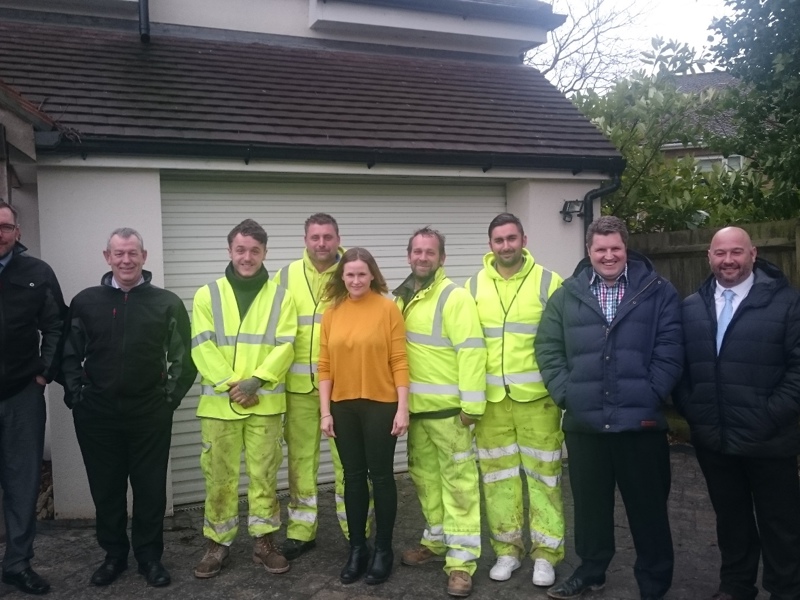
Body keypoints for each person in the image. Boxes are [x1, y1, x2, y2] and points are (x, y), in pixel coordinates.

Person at [536, 215, 682, 600]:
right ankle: (591, 571)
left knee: (649, 510)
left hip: (641, 423)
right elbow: (547, 347)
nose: (609, 255)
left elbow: (671, 348)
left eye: (615, 247)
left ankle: (654, 583)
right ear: (589, 251)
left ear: (626, 248)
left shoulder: (657, 291)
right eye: (601, 249)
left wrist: (651, 392)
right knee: (589, 509)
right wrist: (567, 393)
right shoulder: (567, 295)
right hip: (585, 424)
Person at [61, 227, 196, 588]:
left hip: (149, 413)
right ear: (107, 257)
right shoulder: (85, 302)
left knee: (150, 490)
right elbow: (68, 354)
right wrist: (77, 397)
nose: (125, 260)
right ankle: (114, 556)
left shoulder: (166, 302)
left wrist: (168, 400)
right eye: (118, 253)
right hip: (97, 415)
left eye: (132, 253)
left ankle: (149, 558)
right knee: (106, 489)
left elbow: (185, 359)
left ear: (143, 256)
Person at [675, 227, 800, 600]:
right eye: (720, 253)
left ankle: (786, 590)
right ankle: (736, 586)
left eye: (736, 252)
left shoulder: (787, 304)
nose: (728, 260)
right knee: (731, 521)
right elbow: (679, 369)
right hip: (715, 439)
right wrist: (694, 412)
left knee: (781, 524)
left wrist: (768, 416)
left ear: (753, 254)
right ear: (709, 257)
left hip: (770, 439)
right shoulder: (691, 307)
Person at [191, 219, 297, 579]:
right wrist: (232, 385)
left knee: (264, 475)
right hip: (220, 405)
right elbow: (202, 345)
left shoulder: (281, 297)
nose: (247, 257)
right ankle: (217, 543)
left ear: (265, 252)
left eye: (254, 250)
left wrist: (256, 381)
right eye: (240, 250)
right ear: (230, 250)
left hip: (263, 403)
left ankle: (264, 542)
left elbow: (286, 345)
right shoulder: (207, 294)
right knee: (218, 477)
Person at [464, 213, 565, 588]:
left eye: (511, 238)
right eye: (498, 240)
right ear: (490, 245)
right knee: (497, 479)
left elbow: (563, 340)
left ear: (524, 239)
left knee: (545, 478)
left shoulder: (549, 282)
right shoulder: (473, 286)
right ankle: (507, 550)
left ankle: (546, 554)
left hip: (538, 401)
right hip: (491, 403)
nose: (505, 246)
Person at [394, 228, 486, 597]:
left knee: (460, 487)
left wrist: (472, 407)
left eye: (429, 252)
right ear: (408, 256)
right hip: (417, 415)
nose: (422, 257)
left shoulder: (454, 297)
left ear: (442, 258)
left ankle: (461, 562)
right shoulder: (401, 299)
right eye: (417, 251)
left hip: (450, 415)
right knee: (426, 483)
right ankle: (436, 541)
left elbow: (472, 351)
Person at [318, 247, 409, 586]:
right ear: (341, 276)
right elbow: (324, 366)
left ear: (372, 275)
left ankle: (383, 550)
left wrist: (402, 407)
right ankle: (358, 548)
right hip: (343, 406)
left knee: (381, 477)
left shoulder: (388, 309)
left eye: (361, 273)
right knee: (353, 478)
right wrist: (325, 412)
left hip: (381, 405)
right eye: (350, 274)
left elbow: (399, 360)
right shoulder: (331, 313)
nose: (356, 280)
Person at [273, 213, 352, 560]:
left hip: (344, 389)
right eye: (315, 237)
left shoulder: (353, 270)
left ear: (338, 239)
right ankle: (301, 531)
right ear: (305, 240)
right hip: (299, 389)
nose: (321, 243)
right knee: (300, 463)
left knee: (350, 463)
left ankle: (356, 530)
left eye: (328, 237)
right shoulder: (285, 276)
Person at [0, 201, 65, 595]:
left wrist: (44, 373)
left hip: (21, 395)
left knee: (22, 482)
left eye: (5, 227)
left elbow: (57, 324)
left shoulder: (37, 273)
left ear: (17, 232)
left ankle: (17, 563)